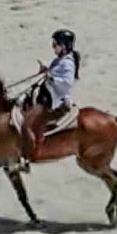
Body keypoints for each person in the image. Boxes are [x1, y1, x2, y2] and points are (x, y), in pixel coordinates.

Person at [22, 29, 80, 160]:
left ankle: (30, 155)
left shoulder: (68, 63)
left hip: (54, 99)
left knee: (27, 125)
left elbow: (67, 82)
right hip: (45, 94)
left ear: (64, 46)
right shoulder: (59, 60)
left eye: (55, 45)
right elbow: (53, 71)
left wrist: (51, 77)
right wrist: (45, 70)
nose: (53, 47)